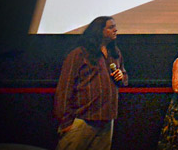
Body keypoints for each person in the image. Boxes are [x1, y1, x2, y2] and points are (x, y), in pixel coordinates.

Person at [54, 16, 128, 150]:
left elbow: (124, 76)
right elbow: (65, 88)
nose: (115, 30)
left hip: (106, 120)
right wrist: (66, 121)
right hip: (82, 119)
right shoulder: (79, 54)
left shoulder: (114, 53)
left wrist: (121, 76)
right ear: (99, 31)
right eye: (110, 27)